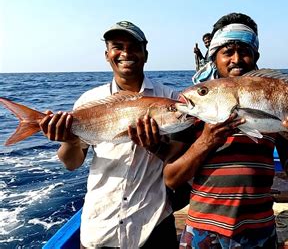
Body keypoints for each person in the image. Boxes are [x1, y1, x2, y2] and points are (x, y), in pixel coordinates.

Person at [164, 12, 288, 248]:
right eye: (227, 52)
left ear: (256, 56)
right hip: (204, 229)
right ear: (214, 57)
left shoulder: (273, 100)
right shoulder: (194, 106)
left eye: (244, 51)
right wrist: (206, 141)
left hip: (260, 228)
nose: (236, 59)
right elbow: (171, 178)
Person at [39, 21, 182, 248]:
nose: (126, 53)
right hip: (100, 225)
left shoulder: (170, 98)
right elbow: (72, 163)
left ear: (145, 53)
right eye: (117, 46)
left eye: (134, 46)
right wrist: (69, 139)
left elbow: (180, 161)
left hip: (153, 223)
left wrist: (157, 146)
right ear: (107, 55)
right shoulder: (88, 101)